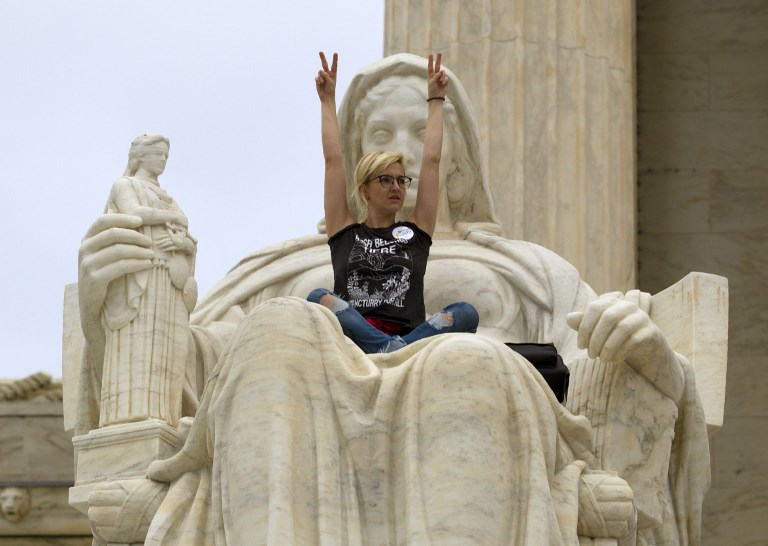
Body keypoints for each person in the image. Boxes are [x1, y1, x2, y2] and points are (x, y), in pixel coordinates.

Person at [74, 55, 709, 545]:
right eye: (381, 132)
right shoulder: (280, 269)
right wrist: (119, 303)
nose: (401, 148)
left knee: (463, 358)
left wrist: (647, 354)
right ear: (360, 159)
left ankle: (411, 355)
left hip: (472, 394)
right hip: (306, 393)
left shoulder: (533, 273)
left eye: (422, 130)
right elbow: (198, 372)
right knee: (281, 325)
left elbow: (600, 370)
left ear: (455, 159)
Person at [308, 52, 478, 353]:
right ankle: (388, 347)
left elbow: (432, 161)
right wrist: (327, 101)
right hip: (358, 335)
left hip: (409, 335)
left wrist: (436, 100)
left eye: (401, 180)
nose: (396, 187)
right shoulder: (345, 231)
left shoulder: (415, 232)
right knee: (318, 297)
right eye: (385, 180)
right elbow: (333, 161)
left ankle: (393, 348)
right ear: (364, 189)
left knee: (465, 312)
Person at [97, 134, 197, 426]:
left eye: (166, 155)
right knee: (138, 343)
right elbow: (133, 214)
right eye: (158, 153)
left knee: (168, 350)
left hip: (170, 279)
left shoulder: (168, 197)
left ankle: (165, 416)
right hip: (141, 275)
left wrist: (181, 243)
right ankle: (129, 414)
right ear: (141, 155)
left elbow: (189, 241)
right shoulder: (125, 185)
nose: (163, 160)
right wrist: (171, 219)